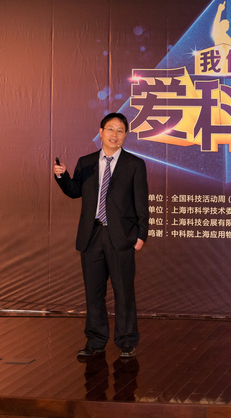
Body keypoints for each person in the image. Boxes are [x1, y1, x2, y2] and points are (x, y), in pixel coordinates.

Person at [53, 113, 148, 359]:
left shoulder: (134, 164)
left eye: (120, 130)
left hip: (121, 237)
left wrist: (141, 234)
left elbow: (141, 203)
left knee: (123, 292)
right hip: (92, 235)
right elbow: (75, 191)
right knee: (94, 293)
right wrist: (62, 176)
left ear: (125, 136)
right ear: (101, 132)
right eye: (110, 129)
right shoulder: (86, 162)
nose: (114, 134)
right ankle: (95, 341)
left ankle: (126, 340)